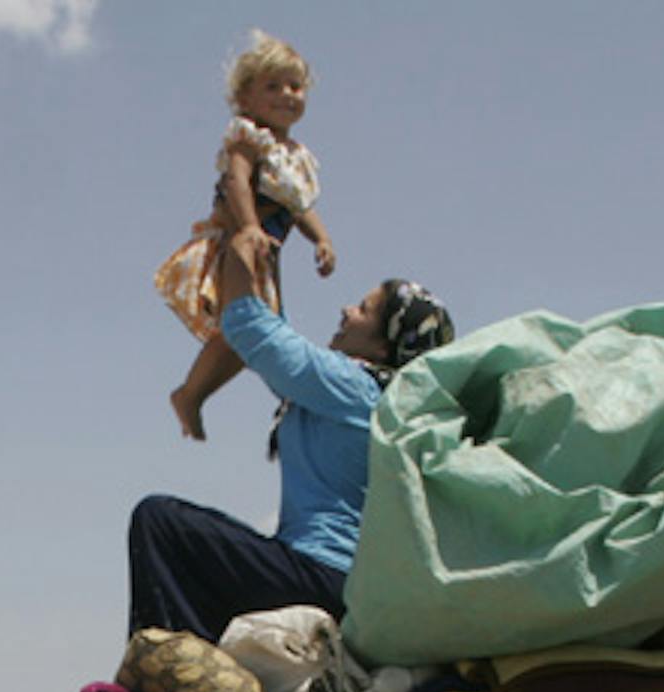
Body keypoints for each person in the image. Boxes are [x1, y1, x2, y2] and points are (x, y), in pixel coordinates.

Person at [128, 228, 453, 644]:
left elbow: (251, 327)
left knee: (161, 522)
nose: (347, 310)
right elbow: (275, 337)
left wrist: (237, 246)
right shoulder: (371, 400)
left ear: (385, 344)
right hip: (337, 582)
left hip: (321, 576)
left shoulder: (354, 389)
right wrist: (269, 255)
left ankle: (163, 668)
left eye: (364, 310)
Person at [155, 31, 335, 443]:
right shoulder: (249, 139)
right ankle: (191, 392)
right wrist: (250, 225)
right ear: (245, 99)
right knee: (243, 327)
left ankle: (196, 394)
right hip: (238, 240)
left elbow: (300, 206)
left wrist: (322, 240)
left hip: (267, 252)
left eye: (295, 86)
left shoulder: (294, 157)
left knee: (251, 336)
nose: (287, 94)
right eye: (272, 86)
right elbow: (236, 182)